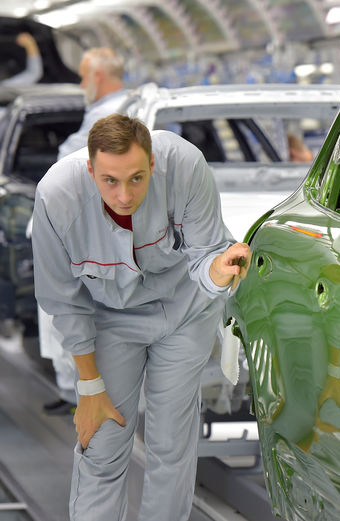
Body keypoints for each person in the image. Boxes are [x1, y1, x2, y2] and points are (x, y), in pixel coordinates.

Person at [31, 114, 250, 521]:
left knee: (171, 446)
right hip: (111, 318)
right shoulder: (55, 199)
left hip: (185, 312)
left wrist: (219, 272)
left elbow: (205, 256)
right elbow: (64, 301)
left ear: (152, 164)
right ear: (90, 169)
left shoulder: (185, 166)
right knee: (102, 442)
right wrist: (89, 387)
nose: (125, 195)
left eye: (136, 178)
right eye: (109, 180)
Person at [40, 47, 128, 415]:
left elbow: (73, 164)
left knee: (65, 306)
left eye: (82, 75)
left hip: (86, 226)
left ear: (97, 76)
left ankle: (75, 389)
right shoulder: (139, 108)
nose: (80, 82)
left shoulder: (107, 116)